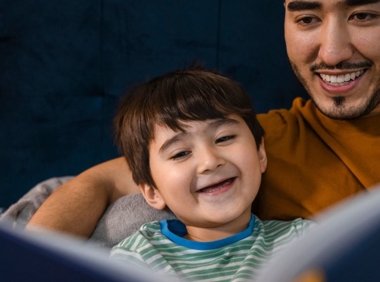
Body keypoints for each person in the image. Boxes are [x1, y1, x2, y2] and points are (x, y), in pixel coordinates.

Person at [28, 0, 380, 280]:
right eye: (307, 19)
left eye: (362, 15)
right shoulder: (254, 139)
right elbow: (96, 182)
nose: (331, 53)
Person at [107, 66, 313, 281]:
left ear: (260, 154)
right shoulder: (139, 258)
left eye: (224, 138)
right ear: (152, 192)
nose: (210, 161)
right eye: (181, 153)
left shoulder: (302, 241)